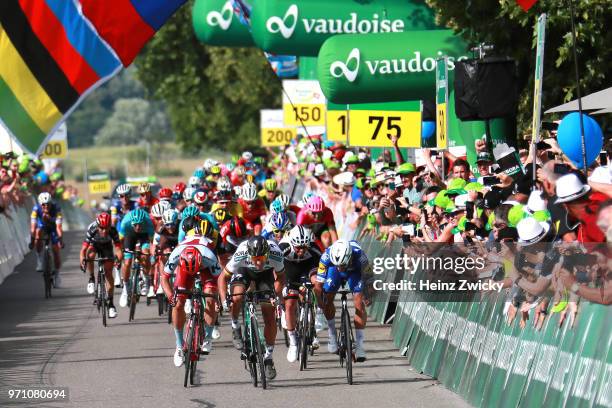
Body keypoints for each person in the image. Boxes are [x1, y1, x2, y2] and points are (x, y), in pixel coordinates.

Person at [219, 236, 285, 380]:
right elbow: (222, 278)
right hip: (244, 271)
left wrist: (277, 295)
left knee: (269, 314)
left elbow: (280, 277)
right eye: (255, 258)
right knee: (236, 297)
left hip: (265, 276)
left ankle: (268, 357)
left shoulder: (276, 252)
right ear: (249, 254)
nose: (259, 262)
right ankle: (235, 325)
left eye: (262, 258)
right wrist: (225, 300)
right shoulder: (241, 253)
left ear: (267, 253)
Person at [161, 241, 221, 367]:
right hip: (184, 269)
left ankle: (208, 338)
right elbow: (164, 278)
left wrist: (218, 300)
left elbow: (220, 279)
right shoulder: (175, 255)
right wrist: (170, 297)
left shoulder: (209, 257)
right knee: (177, 304)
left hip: (205, 268)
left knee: (210, 297)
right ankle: (179, 345)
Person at [316, 239, 369, 361]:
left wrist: (368, 295)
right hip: (332, 271)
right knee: (327, 298)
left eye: (342, 265)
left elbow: (369, 280)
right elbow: (318, 286)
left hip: (354, 271)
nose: (340, 268)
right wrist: (321, 304)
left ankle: (360, 346)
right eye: (338, 265)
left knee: (359, 305)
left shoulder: (360, 256)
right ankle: (332, 335)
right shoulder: (326, 257)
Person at [278, 226, 322, 362]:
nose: (301, 250)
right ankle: (293, 343)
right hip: (289, 270)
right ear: (292, 243)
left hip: (307, 268)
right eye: (298, 247)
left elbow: (323, 270)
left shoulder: (314, 249)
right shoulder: (283, 248)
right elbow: (275, 270)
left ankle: (316, 314)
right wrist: (281, 288)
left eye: (304, 247)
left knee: (316, 283)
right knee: (290, 303)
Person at [79, 212, 122, 318]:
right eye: (101, 228)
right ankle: (91, 278)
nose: (104, 231)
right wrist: (83, 260)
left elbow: (118, 249)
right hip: (94, 244)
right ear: (98, 226)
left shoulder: (112, 230)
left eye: (106, 228)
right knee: (90, 254)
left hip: (107, 246)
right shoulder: (92, 230)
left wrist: (118, 259)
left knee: (108, 273)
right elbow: (83, 249)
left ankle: (111, 305)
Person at [118, 208, 155, 307]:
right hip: (130, 235)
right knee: (127, 262)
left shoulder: (148, 222)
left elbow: (152, 242)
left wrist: (152, 257)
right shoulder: (125, 222)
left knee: (145, 254)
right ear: (132, 223)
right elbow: (119, 242)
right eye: (135, 225)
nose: (138, 227)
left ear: (143, 222)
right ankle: (125, 288)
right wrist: (119, 254)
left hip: (144, 235)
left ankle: (146, 279)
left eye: (140, 224)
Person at [30, 192, 64, 287]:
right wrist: (32, 241)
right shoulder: (35, 209)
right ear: (40, 204)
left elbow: (59, 227)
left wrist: (61, 240)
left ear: (51, 203)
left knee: (56, 251)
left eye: (48, 204)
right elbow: (32, 227)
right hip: (42, 227)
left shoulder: (56, 208)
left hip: (53, 227)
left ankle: (57, 274)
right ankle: (40, 258)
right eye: (43, 205)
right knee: (37, 232)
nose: (46, 206)